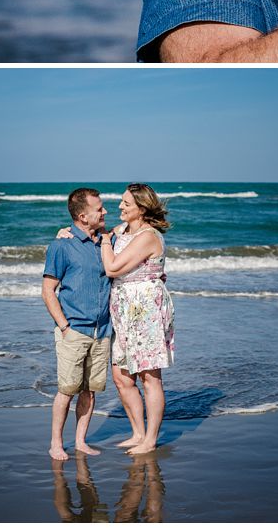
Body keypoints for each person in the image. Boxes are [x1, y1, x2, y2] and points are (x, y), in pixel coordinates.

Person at [101, 184, 175, 455]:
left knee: (149, 376)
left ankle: (151, 439)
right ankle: (137, 433)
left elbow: (112, 267)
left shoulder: (148, 236)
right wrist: (65, 233)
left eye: (126, 204)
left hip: (145, 309)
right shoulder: (120, 231)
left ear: (141, 209)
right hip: (121, 308)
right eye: (121, 202)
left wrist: (105, 241)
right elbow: (93, 235)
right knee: (121, 375)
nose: (120, 207)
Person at [42, 188, 112, 460]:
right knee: (66, 390)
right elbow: (48, 290)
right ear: (83, 216)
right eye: (99, 209)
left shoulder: (107, 240)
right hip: (74, 330)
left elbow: (135, 227)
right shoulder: (62, 245)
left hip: (103, 331)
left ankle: (81, 441)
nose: (104, 212)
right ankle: (56, 444)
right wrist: (63, 326)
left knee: (90, 390)